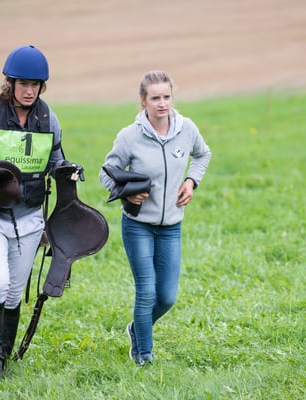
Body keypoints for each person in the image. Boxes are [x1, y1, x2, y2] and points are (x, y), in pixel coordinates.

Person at [0, 45, 79, 380]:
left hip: (30, 220)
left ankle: (4, 355)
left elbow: (56, 160)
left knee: (12, 295)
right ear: (10, 83)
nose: (29, 90)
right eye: (23, 83)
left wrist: (68, 170)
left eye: (35, 85)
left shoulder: (48, 118)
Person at [98, 70, 212, 366]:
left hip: (171, 226)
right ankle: (143, 356)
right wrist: (126, 195)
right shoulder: (129, 136)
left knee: (167, 297)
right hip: (138, 225)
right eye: (155, 98)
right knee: (146, 292)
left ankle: (137, 329)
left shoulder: (187, 129)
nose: (162, 103)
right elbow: (106, 174)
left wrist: (191, 182)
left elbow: (203, 155)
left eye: (166, 97)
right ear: (143, 101)